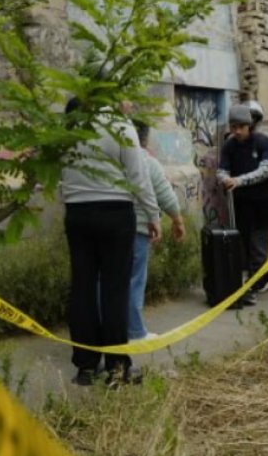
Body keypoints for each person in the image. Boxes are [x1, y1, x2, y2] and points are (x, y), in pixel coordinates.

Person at [61, 98, 160, 386]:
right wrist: (153, 214)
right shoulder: (120, 126)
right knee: (115, 290)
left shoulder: (69, 128)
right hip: (116, 213)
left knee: (82, 288)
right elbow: (138, 177)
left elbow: (60, 176)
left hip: (77, 214)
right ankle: (117, 367)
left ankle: (85, 367)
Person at [216, 104, 268, 305]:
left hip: (262, 205)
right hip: (239, 206)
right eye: (233, 127)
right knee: (241, 247)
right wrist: (224, 179)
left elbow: (266, 170)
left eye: (241, 127)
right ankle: (256, 281)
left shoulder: (263, 142)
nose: (237, 131)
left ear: (249, 125)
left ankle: (256, 283)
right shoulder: (229, 145)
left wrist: (238, 181)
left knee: (258, 248)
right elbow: (222, 169)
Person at [128, 122, 185, 341]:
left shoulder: (111, 160)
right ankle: (134, 331)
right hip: (140, 228)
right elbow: (164, 192)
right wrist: (177, 221)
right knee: (134, 280)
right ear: (145, 139)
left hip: (113, 226)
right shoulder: (146, 161)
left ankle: (107, 330)